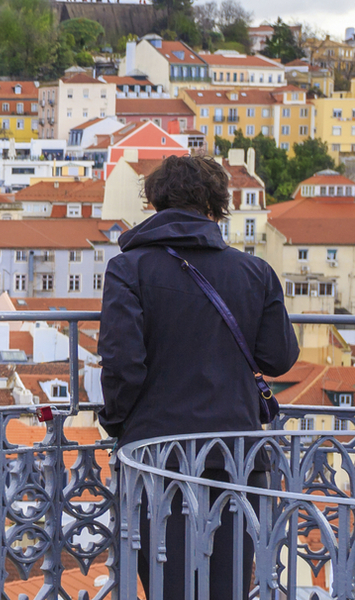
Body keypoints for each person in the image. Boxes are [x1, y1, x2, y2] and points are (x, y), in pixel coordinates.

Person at [100, 154, 298, 600]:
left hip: (158, 456)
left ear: (154, 202)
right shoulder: (256, 272)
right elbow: (279, 357)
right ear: (216, 207)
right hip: (237, 458)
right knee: (226, 587)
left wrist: (117, 422)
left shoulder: (128, 268)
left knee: (168, 587)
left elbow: (122, 364)